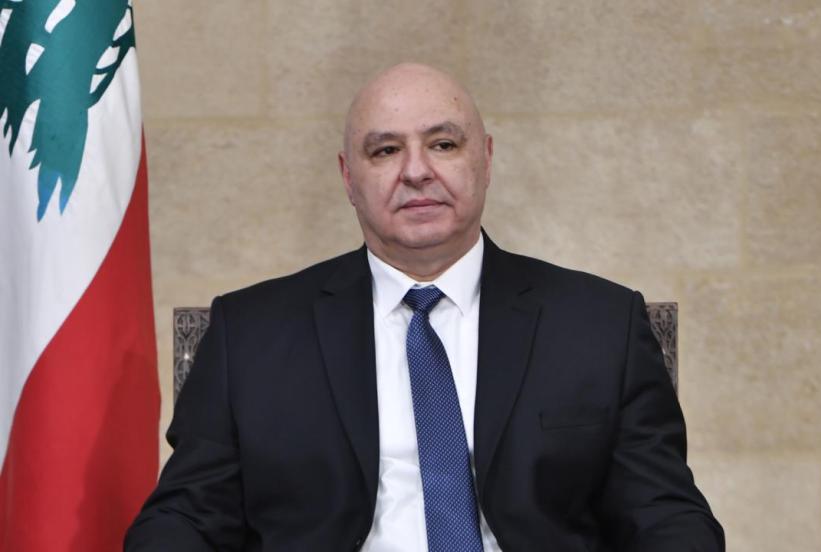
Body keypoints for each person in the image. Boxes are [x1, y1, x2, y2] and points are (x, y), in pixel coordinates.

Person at [126, 63, 724, 551]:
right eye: (385, 150)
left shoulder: (600, 325)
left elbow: (666, 516)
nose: (416, 171)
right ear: (348, 177)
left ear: (485, 159)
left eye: (443, 144)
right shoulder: (250, 334)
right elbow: (185, 518)